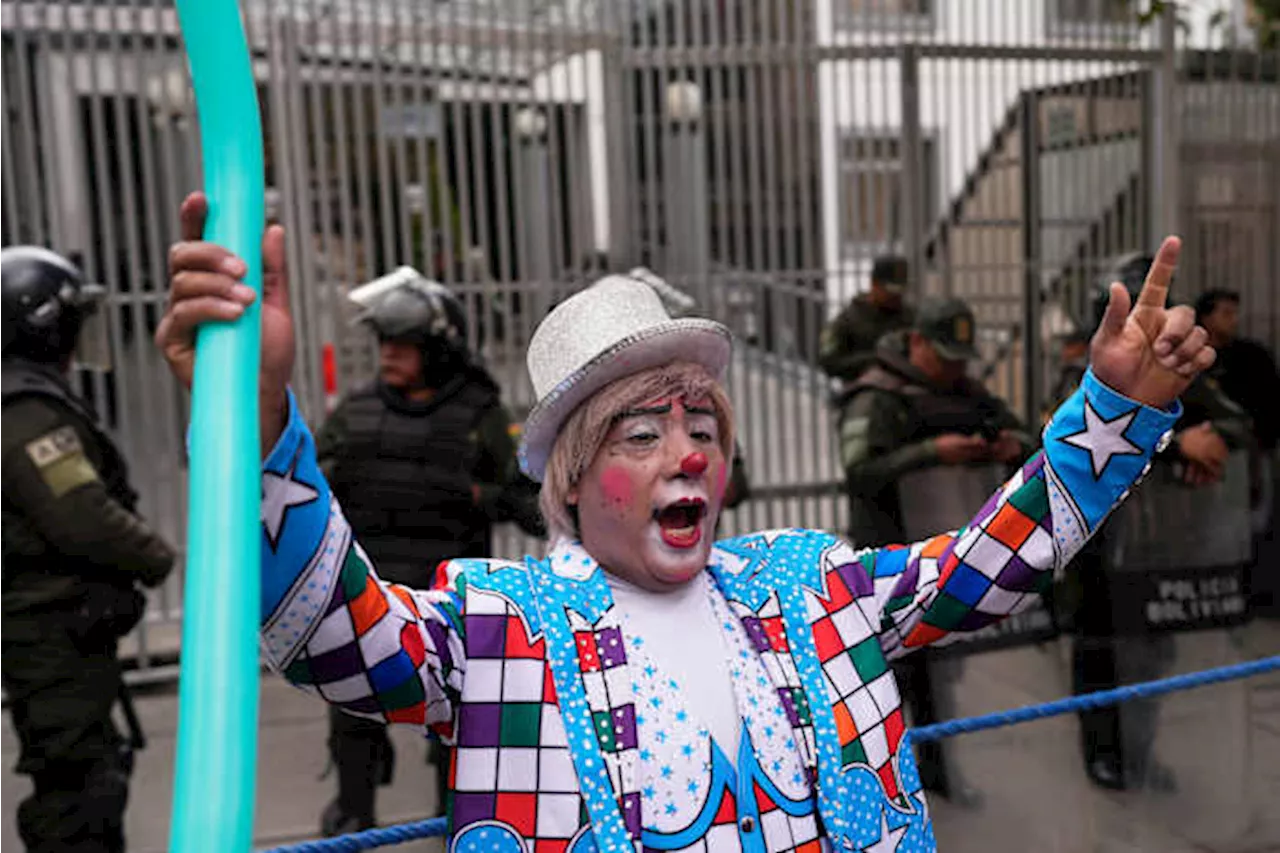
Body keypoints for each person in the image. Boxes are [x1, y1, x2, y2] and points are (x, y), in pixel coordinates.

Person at [159, 191, 1211, 852]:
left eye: (702, 425)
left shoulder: (811, 586)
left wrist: (1114, 414)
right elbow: (328, 633)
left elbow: (990, 566)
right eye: (641, 434)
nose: (690, 453)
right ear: (571, 481)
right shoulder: (497, 628)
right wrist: (254, 421)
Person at [313, 271, 545, 835]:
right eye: (384, 342)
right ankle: (354, 817)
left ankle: (459, 827)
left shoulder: (479, 414)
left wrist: (477, 496)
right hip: (368, 597)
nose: (387, 354)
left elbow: (530, 504)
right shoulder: (357, 412)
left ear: (437, 349)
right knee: (352, 718)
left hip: (446, 608)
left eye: (403, 344)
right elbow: (309, 490)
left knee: (458, 731)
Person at [0, 246, 176, 853]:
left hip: (55, 630)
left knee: (85, 779)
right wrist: (158, 557)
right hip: (50, 634)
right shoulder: (26, 412)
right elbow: (83, 517)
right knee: (78, 793)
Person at [834, 296, 1035, 799]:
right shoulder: (877, 396)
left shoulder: (964, 391)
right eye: (944, 358)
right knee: (891, 682)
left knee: (941, 677)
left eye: (960, 360)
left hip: (949, 558)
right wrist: (930, 453)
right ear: (917, 341)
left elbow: (1026, 437)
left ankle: (939, 771)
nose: (954, 370)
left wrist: (1007, 446)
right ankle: (881, 784)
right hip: (892, 565)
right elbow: (860, 472)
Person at [819, 255, 915, 386]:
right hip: (863, 391)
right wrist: (874, 360)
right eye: (891, 291)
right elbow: (829, 363)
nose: (896, 296)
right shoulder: (848, 320)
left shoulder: (911, 317)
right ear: (874, 285)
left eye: (901, 291)